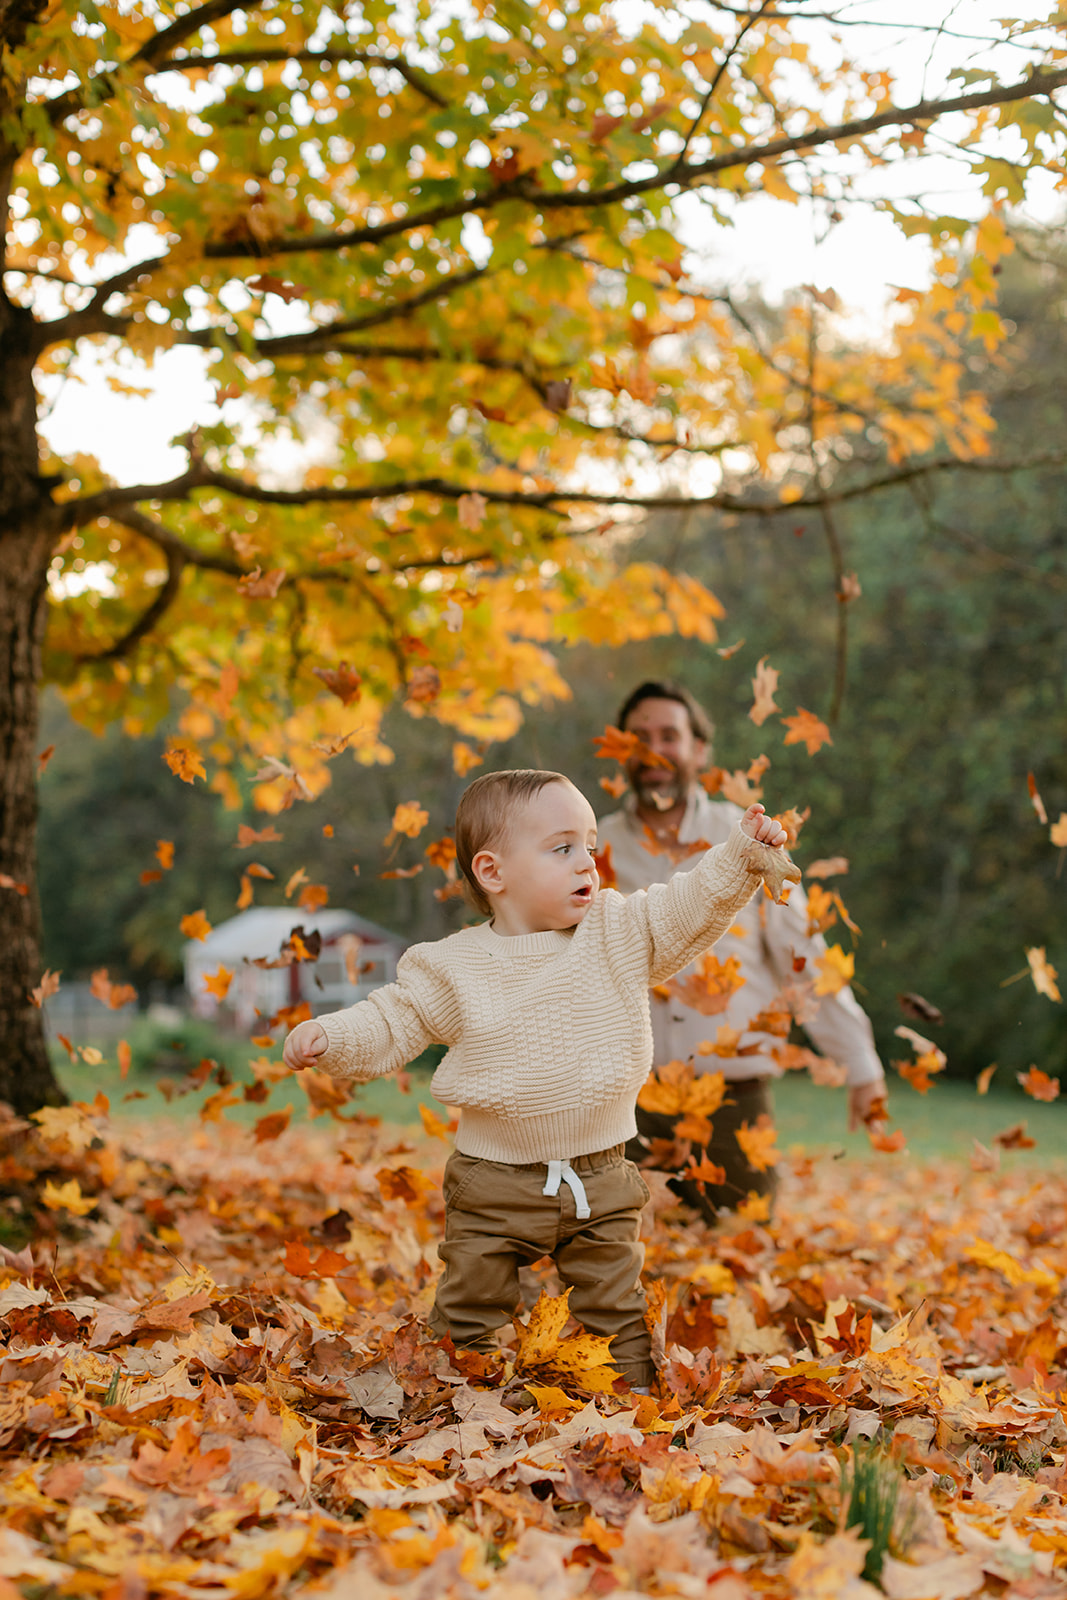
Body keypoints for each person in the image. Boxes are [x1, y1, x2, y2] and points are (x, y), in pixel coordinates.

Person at [283, 767, 791, 1390]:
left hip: (600, 1176)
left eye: (590, 847)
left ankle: (631, 1405)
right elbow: (395, 1017)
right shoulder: (456, 965)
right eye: (562, 849)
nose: (587, 864)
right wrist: (334, 1038)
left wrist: (740, 857)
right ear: (492, 873)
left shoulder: (615, 931)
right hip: (493, 1182)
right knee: (470, 1303)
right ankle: (448, 1396)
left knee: (616, 1309)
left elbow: (682, 908)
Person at [596, 680, 887, 1221]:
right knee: (610, 1262)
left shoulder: (749, 840)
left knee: (740, 1255)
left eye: (669, 735)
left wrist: (860, 1064)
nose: (653, 749)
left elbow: (805, 960)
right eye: (638, 736)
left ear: (699, 750)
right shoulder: (593, 849)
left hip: (730, 1101)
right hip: (619, 1100)